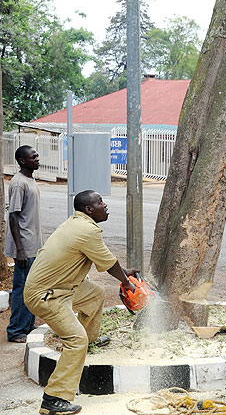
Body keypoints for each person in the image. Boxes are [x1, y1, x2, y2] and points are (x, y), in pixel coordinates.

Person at [24, 190, 137, 415]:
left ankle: (90, 340)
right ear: (88, 210)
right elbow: (109, 264)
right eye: (100, 202)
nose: (105, 205)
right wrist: (128, 283)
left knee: (95, 293)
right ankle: (53, 399)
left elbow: (105, 259)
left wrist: (124, 273)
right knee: (76, 340)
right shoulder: (86, 230)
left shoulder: (78, 224)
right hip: (47, 295)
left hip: (62, 286)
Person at [4, 145, 42, 343]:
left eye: (36, 155)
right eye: (33, 156)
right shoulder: (19, 183)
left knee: (31, 287)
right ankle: (16, 330)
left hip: (32, 245)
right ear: (22, 161)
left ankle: (27, 325)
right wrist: (19, 250)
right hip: (24, 247)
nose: (37, 158)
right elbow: (13, 216)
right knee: (22, 288)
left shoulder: (30, 180)